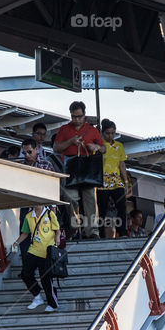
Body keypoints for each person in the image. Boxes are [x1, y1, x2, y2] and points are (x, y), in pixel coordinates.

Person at [53, 100, 103, 240]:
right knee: (70, 198)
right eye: (74, 116)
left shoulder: (93, 130)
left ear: (84, 115)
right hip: (70, 167)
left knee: (90, 200)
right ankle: (75, 227)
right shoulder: (64, 129)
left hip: (88, 168)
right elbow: (56, 148)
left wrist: (96, 147)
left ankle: (92, 231)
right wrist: (70, 141)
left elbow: (103, 148)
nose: (76, 119)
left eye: (79, 116)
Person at [11, 205, 61, 312]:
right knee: (25, 274)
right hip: (34, 249)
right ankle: (37, 297)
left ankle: (52, 304)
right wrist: (16, 243)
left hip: (47, 251)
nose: (36, 204)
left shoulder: (50, 214)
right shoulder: (29, 216)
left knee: (46, 279)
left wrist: (57, 237)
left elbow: (58, 230)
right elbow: (25, 233)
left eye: (38, 202)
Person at [95, 119, 131, 238]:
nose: (110, 136)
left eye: (112, 133)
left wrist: (125, 181)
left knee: (121, 205)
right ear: (102, 132)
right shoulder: (99, 146)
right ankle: (100, 233)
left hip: (116, 181)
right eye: (107, 133)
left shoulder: (119, 146)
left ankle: (122, 232)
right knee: (101, 209)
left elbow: (122, 164)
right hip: (102, 181)